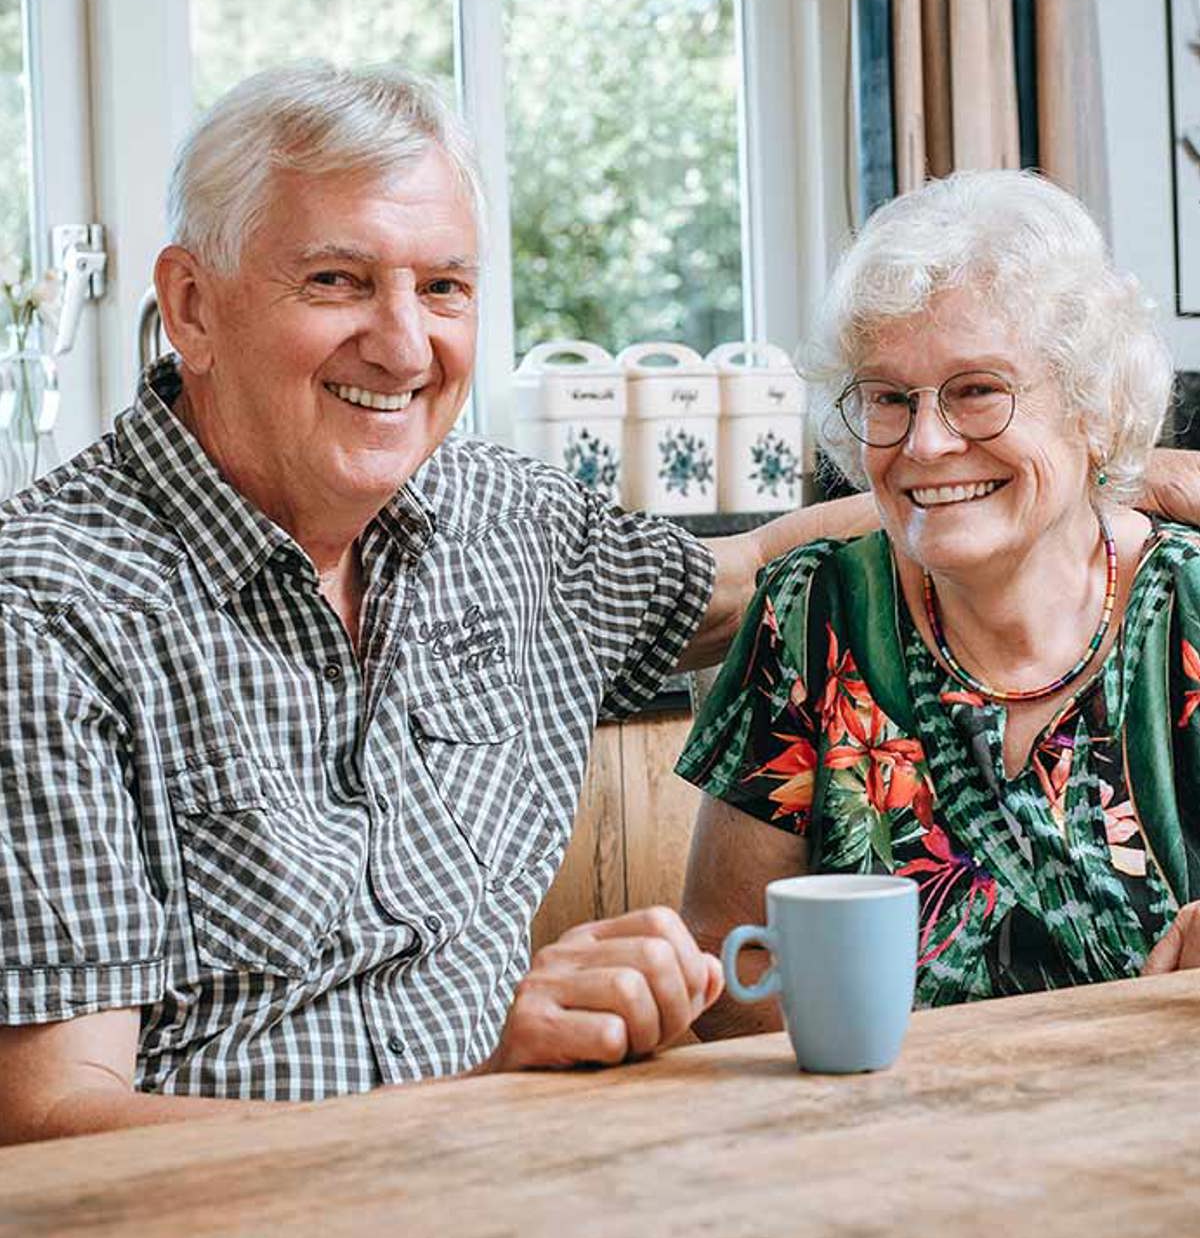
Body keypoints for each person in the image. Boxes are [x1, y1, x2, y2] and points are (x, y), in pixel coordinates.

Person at [0, 61, 888, 1144]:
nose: (405, 344)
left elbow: (752, 573)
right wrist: (471, 1093)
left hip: (510, 1188)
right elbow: (49, 1120)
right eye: (336, 280)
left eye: (445, 288)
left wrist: (1110, 476)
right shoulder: (43, 607)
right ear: (191, 304)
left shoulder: (508, 524)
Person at [679, 169, 1200, 1036]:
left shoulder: (1191, 606)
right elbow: (729, 957)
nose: (925, 443)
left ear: (1093, 408)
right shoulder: (814, 612)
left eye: (977, 391)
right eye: (888, 398)